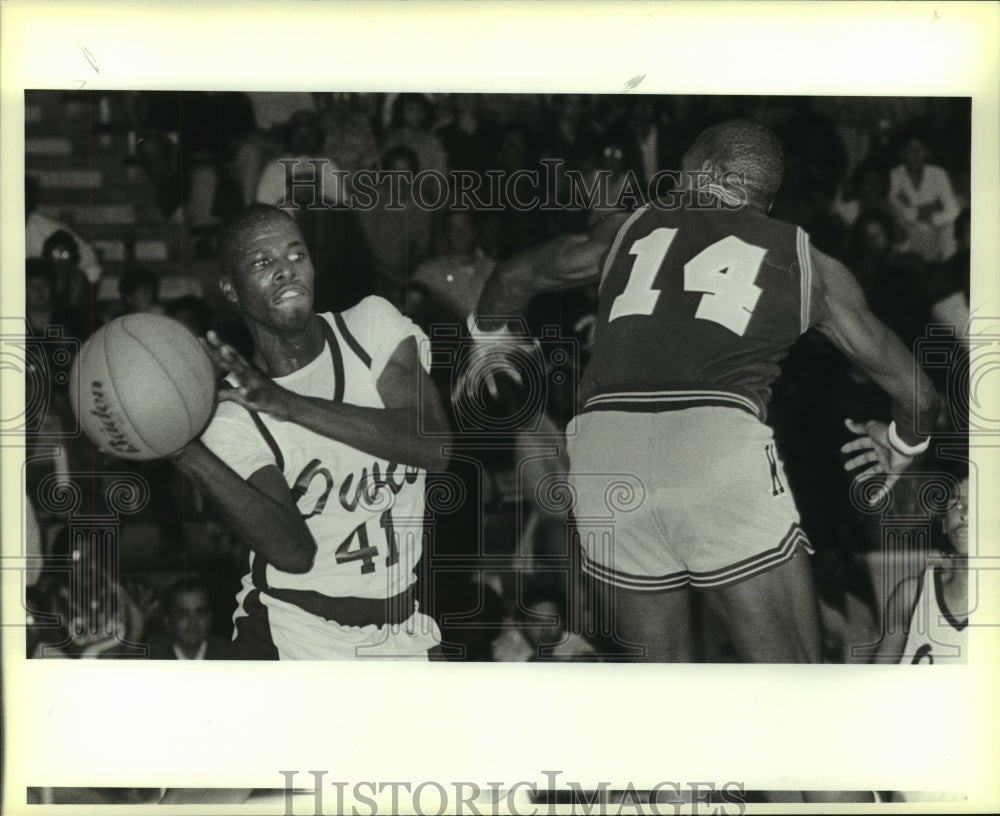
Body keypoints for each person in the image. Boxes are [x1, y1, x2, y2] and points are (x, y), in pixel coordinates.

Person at [468, 118, 939, 666]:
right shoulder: (804, 258)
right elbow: (921, 396)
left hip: (604, 453)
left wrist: (486, 342)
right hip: (712, 442)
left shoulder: (630, 227)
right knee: (795, 681)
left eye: (681, 172)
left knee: (665, 684)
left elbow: (510, 278)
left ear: (707, 172)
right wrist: (903, 443)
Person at [169, 204, 451, 660]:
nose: (284, 270)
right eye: (262, 263)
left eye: (295, 254)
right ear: (231, 289)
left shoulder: (371, 328)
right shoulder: (231, 414)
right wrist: (183, 451)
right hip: (294, 630)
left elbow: (434, 447)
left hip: (402, 624)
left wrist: (291, 406)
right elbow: (295, 553)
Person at [872, 464, 968, 665]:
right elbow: (875, 684)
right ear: (943, 522)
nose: (965, 514)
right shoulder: (911, 595)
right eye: (956, 505)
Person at [148, 578, 228, 660]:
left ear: (210, 618)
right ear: (168, 621)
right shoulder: (151, 658)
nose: (193, 622)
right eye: (183, 614)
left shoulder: (230, 655)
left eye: (200, 613)